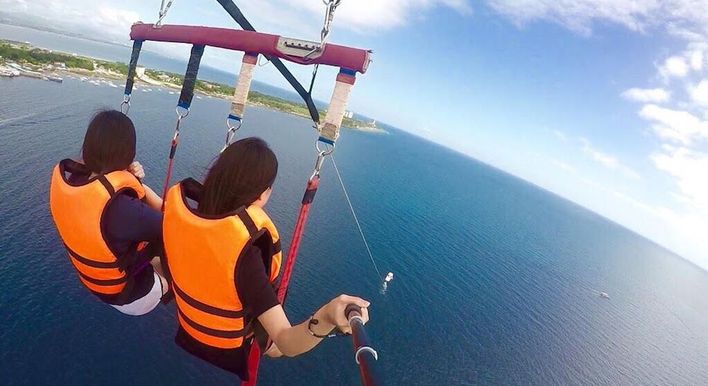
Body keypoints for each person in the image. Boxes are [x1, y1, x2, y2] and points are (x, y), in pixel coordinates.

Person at [162, 137, 370, 380]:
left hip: (190, 328)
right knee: (276, 350)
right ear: (263, 194)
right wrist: (326, 316)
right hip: (229, 348)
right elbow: (286, 341)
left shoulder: (179, 215)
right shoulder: (244, 254)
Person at [49, 109, 169, 316]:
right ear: (128, 153)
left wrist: (128, 179)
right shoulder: (123, 209)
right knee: (179, 254)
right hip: (132, 297)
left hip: (96, 284)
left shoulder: (74, 183)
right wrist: (143, 188)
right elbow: (177, 226)